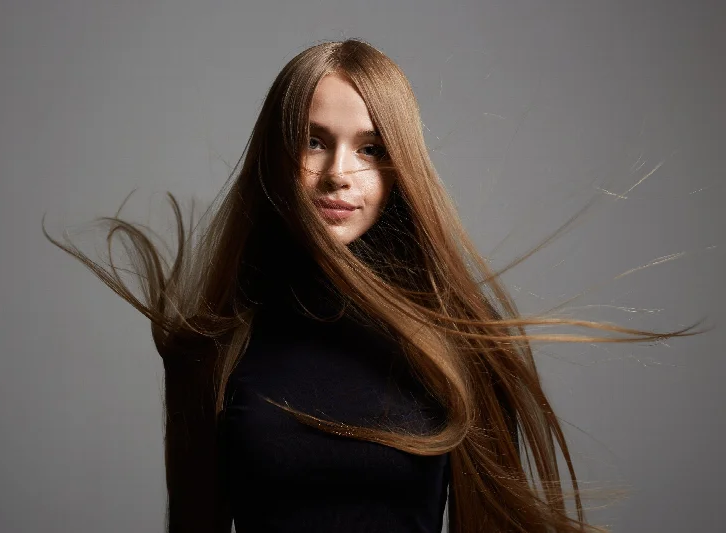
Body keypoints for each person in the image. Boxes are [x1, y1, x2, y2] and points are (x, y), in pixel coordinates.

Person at [43, 39, 696, 533]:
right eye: (313, 141)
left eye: (371, 148)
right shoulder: (214, 342)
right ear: (275, 155)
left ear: (399, 168)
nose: (339, 173)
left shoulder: (457, 341)